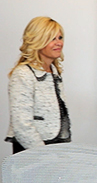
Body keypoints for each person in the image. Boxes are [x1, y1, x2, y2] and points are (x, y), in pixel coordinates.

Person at [5, 16, 71, 153]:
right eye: (52, 38)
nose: (59, 43)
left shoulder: (54, 71)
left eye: (60, 38)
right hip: (33, 151)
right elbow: (22, 126)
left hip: (55, 147)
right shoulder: (23, 74)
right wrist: (43, 154)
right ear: (37, 41)